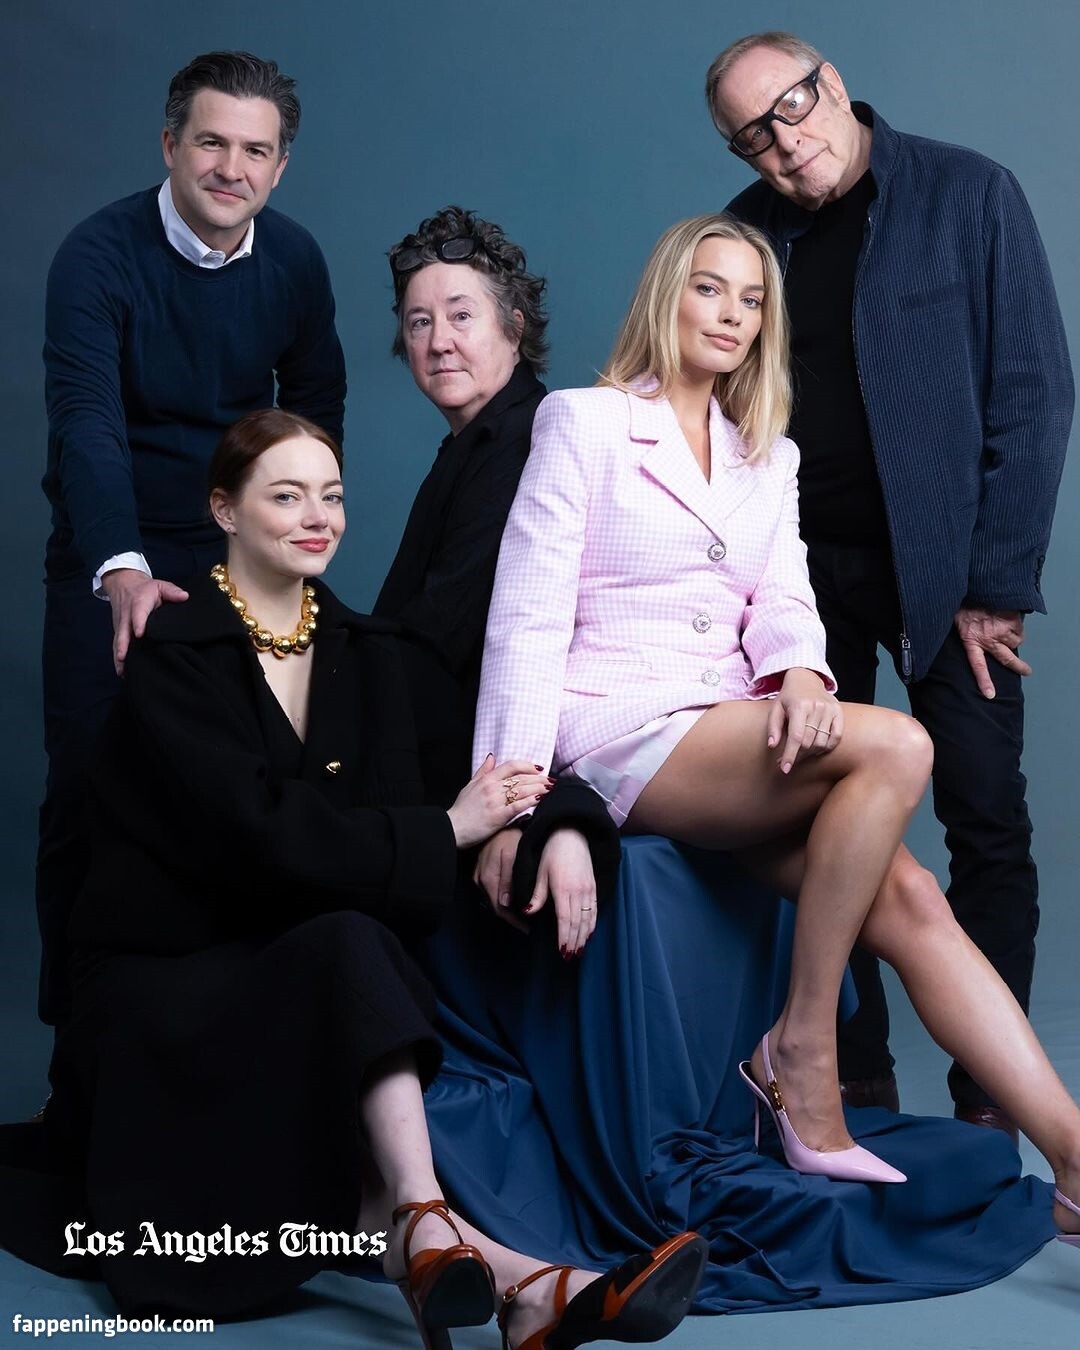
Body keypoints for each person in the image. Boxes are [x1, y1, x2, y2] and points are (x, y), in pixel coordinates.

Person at [1, 408, 708, 1347]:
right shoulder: (174, 656)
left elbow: (507, 741)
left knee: (350, 945)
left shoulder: (372, 652)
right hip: (163, 987)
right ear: (224, 509)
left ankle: (487, 1265)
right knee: (348, 943)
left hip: (306, 975)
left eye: (331, 496)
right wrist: (447, 829)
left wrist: (563, 827)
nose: (317, 518)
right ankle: (484, 1259)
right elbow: (260, 841)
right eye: (286, 496)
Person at [473, 214, 1080, 1235]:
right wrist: (514, 798)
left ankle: (1073, 1162)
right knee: (900, 742)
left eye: (753, 300)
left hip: (729, 719)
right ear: (667, 296)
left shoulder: (768, 455)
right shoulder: (583, 423)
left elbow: (785, 594)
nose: (733, 315)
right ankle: (802, 1047)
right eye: (711, 289)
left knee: (910, 895)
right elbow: (526, 616)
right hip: (620, 723)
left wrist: (801, 669)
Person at [705, 31, 1074, 1135]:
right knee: (824, 818)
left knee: (986, 819)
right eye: (753, 134)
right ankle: (854, 1074)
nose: (785, 141)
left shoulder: (968, 193)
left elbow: (1035, 390)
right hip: (800, 579)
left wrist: (994, 583)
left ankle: (991, 1101)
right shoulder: (747, 234)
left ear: (833, 83)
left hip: (950, 578)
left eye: (794, 105)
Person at [37, 50, 347, 1026]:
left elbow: (316, 404)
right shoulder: (97, 256)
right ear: (170, 144)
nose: (231, 169)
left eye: (255, 151)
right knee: (91, 788)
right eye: (212, 143)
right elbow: (87, 425)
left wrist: (288, 532)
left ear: (280, 167)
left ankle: (231, 1038)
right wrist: (120, 571)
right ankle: (77, 1053)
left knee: (259, 789)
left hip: (240, 546)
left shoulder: (294, 260)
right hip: (110, 545)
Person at [377, 206, 615, 928]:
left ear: (514, 325)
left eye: (460, 316)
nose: (438, 342)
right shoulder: (475, 440)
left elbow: (441, 635)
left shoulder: (526, 441)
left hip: (503, 748)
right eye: (419, 322)